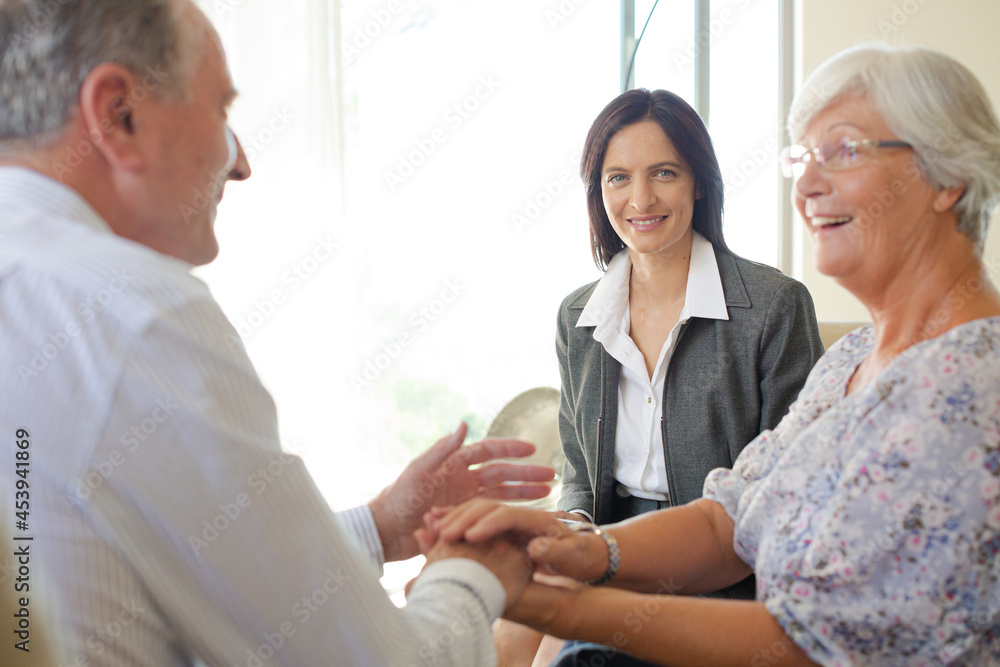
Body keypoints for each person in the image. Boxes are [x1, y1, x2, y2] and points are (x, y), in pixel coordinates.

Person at [0, 1, 555, 665]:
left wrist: (378, 526)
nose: (241, 164)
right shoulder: (134, 314)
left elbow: (157, 564)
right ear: (120, 115)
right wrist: (473, 571)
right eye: (222, 110)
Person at [428, 42, 1000, 666]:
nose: (806, 184)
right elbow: (729, 516)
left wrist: (561, 606)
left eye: (843, 151)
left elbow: (818, 650)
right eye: (803, 157)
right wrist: (581, 549)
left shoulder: (972, 385)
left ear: (949, 179)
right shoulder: (853, 360)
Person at [494, 88, 824, 665]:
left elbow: (792, 491)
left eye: (663, 173)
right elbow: (579, 474)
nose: (640, 198)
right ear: (599, 190)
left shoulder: (774, 307)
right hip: (603, 542)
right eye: (617, 177)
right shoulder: (579, 316)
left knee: (558, 654)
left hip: (717, 557)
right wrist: (566, 529)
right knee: (499, 633)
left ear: (699, 181)